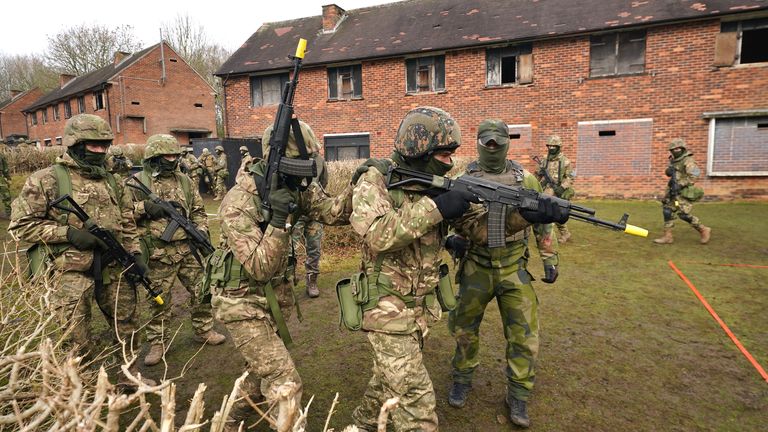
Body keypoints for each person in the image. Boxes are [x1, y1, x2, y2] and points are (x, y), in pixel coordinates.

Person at [349, 107, 568, 431]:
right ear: (418, 147)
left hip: (418, 308)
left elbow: (479, 231)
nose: (450, 161)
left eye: (453, 154)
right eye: (443, 154)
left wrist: (528, 216)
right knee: (417, 405)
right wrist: (437, 207)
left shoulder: (438, 183)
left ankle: (361, 425)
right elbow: (378, 235)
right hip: (385, 308)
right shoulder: (376, 179)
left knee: (384, 383)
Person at [211, 120, 352, 430]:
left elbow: (333, 211)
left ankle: (230, 416)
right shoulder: (238, 202)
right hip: (241, 301)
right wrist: (277, 221)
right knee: (283, 379)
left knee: (260, 365)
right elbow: (259, 267)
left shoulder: (295, 186)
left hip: (276, 295)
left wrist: (368, 182)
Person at [8, 114, 154, 388]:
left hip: (114, 266)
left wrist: (134, 255)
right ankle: (82, 385)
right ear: (75, 144)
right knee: (76, 332)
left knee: (127, 323)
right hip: (70, 271)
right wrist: (68, 234)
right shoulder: (47, 180)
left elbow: (127, 222)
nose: (99, 151)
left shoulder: (113, 181)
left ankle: (129, 376)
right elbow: (21, 226)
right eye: (92, 145)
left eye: (104, 145)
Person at [446, 119, 561, 429]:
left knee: (524, 334)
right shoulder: (463, 178)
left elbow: (544, 221)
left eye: (499, 142)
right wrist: (450, 238)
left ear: (508, 142)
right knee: (464, 328)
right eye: (488, 143)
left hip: (514, 267)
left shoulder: (527, 181)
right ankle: (462, 378)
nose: (493, 148)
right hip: (475, 265)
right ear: (479, 142)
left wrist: (549, 258)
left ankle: (519, 393)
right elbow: (442, 213)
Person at [128, 134, 226, 367]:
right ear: (154, 156)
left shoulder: (184, 181)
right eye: (166, 155)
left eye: (174, 155)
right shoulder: (136, 182)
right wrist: (144, 207)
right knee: (159, 301)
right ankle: (158, 342)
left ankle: (204, 330)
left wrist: (200, 230)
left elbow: (198, 211)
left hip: (187, 250)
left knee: (202, 291)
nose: (172, 159)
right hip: (158, 254)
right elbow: (120, 214)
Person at [289, 141, 328, 298]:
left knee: (314, 248)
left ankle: (312, 281)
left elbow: (324, 181)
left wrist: (316, 197)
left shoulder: (319, 160)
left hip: (314, 212)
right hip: (295, 212)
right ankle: (288, 281)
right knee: (290, 248)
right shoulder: (292, 159)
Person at [653, 138, 711, 244]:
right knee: (667, 211)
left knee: (683, 214)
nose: (676, 150)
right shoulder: (672, 160)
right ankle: (668, 237)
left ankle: (703, 229)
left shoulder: (688, 160)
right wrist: (668, 171)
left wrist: (680, 184)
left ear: (683, 149)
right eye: (673, 149)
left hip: (683, 191)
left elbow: (695, 175)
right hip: (672, 190)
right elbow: (671, 173)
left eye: (678, 148)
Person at [535, 135, 575, 243]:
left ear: (559, 147)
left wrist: (562, 187)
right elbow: (537, 175)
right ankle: (560, 234)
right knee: (548, 212)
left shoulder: (565, 161)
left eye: (554, 146)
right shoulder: (544, 160)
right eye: (549, 146)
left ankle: (551, 236)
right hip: (545, 189)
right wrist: (534, 184)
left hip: (558, 190)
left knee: (552, 212)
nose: (551, 148)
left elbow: (570, 177)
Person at [0, 147, 12, 218]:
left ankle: (9, 213)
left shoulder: (1, 155)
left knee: (6, 195)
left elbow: (5, 168)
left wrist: (8, 178)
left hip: (0, 178)